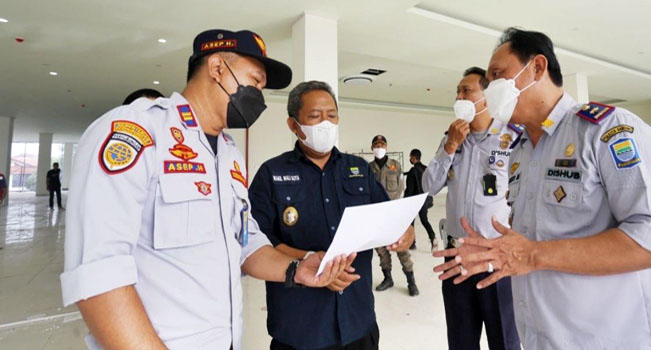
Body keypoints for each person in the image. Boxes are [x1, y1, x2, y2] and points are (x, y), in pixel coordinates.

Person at [60, 29, 352, 350]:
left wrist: (296, 269)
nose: (259, 95)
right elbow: (100, 276)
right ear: (216, 68)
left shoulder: (228, 153)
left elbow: (245, 242)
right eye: (255, 81)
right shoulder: (139, 132)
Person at [434, 27, 651, 349]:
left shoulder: (608, 131)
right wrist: (497, 250)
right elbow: (535, 235)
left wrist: (533, 255)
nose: (491, 87)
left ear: (537, 67)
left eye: (498, 75)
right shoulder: (520, 151)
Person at [248, 80, 415, 350]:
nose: (325, 123)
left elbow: (389, 218)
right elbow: (257, 245)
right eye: (315, 116)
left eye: (332, 115)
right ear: (294, 125)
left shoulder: (359, 169)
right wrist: (307, 262)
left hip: (358, 322)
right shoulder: (271, 174)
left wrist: (405, 232)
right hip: (301, 327)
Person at [422, 67, 521, 350]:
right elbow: (429, 185)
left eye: (466, 91)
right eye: (458, 91)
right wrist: (450, 147)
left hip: (495, 258)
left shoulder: (511, 138)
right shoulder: (451, 138)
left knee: (504, 340)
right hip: (455, 259)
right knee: (461, 341)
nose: (459, 96)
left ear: (487, 97)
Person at [369, 135, 419, 296]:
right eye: (376, 144)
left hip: (393, 213)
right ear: (372, 148)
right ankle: (388, 278)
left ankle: (411, 281)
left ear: (386, 146)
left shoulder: (395, 166)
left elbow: (400, 188)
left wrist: (394, 205)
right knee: (381, 250)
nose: (379, 146)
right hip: (376, 215)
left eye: (382, 144)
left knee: (401, 248)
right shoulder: (368, 168)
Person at [404, 148, 438, 252]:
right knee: (424, 220)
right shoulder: (426, 169)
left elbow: (409, 190)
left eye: (410, 157)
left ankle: (412, 243)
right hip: (424, 199)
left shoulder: (412, 171)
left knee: (410, 222)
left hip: (414, 201)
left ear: (413, 158)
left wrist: (405, 201)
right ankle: (433, 238)